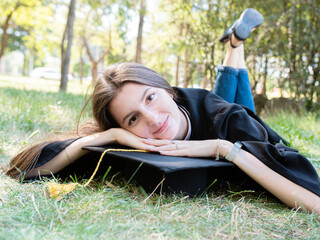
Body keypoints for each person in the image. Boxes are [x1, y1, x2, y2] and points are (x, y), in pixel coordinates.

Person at [5, 9, 320, 214]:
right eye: (132, 118)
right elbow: (24, 171)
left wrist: (223, 149)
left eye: (151, 98)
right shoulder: (127, 136)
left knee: (239, 103)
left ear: (169, 90)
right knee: (231, 91)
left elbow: (314, 203)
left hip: (227, 123)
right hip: (207, 109)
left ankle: (234, 45)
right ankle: (234, 43)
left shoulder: (227, 120)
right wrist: (112, 134)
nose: (152, 120)